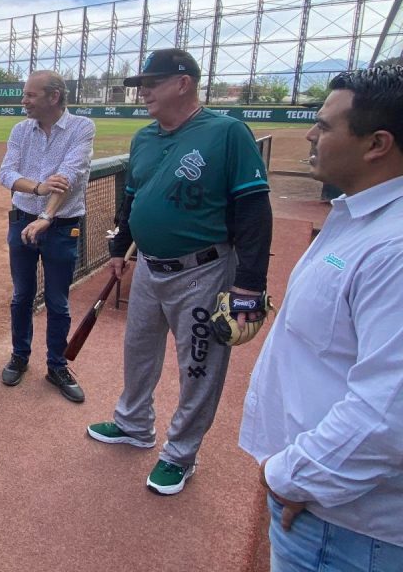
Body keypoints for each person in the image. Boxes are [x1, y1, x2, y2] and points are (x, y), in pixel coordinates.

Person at [87, 48, 272, 497]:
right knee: (138, 350)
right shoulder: (144, 138)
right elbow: (132, 200)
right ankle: (134, 424)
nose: (143, 93)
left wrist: (250, 284)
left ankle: (181, 453)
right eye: (141, 85)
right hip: (149, 266)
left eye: (152, 83)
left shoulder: (227, 132)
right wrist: (118, 247)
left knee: (198, 365)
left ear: (183, 83)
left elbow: (253, 210)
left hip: (203, 271)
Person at [240, 65, 403, 570]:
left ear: (376, 144)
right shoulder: (365, 218)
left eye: (326, 125)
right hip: (331, 508)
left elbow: (389, 413)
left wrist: (292, 477)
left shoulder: (394, 246)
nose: (311, 135)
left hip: (343, 527)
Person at [0, 70, 95, 403]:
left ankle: (57, 365)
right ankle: (19, 356)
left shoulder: (82, 127)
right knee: (21, 296)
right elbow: (6, 173)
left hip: (62, 226)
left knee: (58, 300)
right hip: (22, 220)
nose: (23, 100)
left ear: (54, 96)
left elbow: (68, 177)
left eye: (30, 95)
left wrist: (45, 217)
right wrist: (38, 188)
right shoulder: (20, 130)